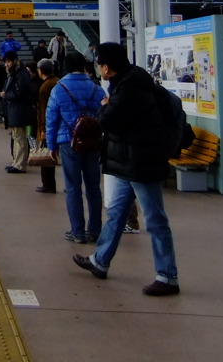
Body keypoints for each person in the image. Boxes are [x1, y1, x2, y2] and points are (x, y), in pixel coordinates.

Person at [72, 42, 180, 297]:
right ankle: (100, 260)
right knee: (117, 213)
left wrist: (106, 105)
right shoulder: (131, 80)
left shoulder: (128, 89)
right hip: (130, 161)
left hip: (141, 161)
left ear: (107, 68)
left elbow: (108, 121)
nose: (96, 69)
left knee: (155, 219)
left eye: (98, 65)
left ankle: (168, 276)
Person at [47, 52, 105, 240]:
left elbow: (52, 119)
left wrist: (51, 146)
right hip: (93, 142)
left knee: (73, 187)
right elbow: (105, 114)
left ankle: (77, 231)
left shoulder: (59, 88)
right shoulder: (97, 89)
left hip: (68, 141)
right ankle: (95, 230)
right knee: (93, 187)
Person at [2, 52, 35, 174]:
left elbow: (21, 91)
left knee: (20, 137)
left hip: (19, 110)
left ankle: (20, 164)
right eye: (6, 62)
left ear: (15, 61)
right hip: (15, 110)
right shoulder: (15, 73)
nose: (7, 64)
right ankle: (16, 162)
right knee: (16, 136)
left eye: (8, 61)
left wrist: (7, 95)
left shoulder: (21, 74)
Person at [35, 58, 60, 194]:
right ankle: (50, 184)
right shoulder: (57, 81)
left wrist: (43, 129)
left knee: (46, 155)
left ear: (41, 71)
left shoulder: (44, 87)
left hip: (48, 125)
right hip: (59, 123)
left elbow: (44, 109)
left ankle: (48, 184)